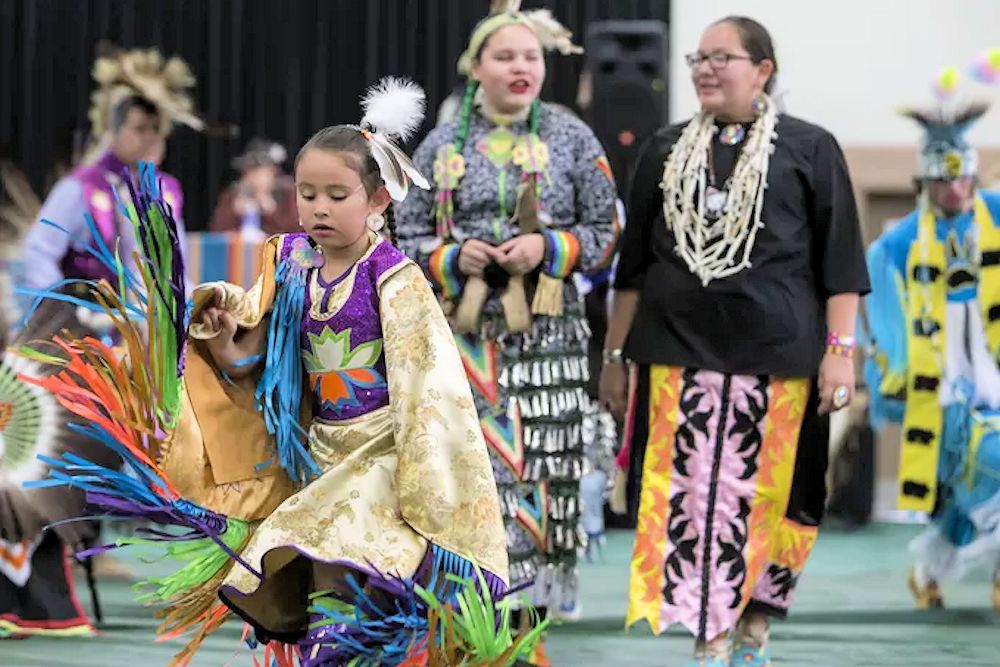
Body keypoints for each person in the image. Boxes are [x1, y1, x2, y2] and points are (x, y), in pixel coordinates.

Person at [25, 78, 536, 667]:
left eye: (337, 195)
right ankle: (329, 649)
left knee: (349, 560)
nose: (318, 207)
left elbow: (432, 389)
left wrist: (427, 483)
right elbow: (253, 321)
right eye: (307, 193)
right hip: (318, 454)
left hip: (385, 457)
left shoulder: (395, 280)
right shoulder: (292, 261)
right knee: (316, 575)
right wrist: (219, 311)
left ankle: (348, 647)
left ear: (378, 201)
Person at [598, 16, 870, 667]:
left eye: (723, 57)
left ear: (763, 70)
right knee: (690, 499)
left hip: (778, 360)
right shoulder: (663, 150)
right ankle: (706, 633)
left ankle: (753, 626)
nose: (705, 68)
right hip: (675, 354)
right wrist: (614, 358)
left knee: (774, 497)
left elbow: (841, 266)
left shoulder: (809, 147)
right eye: (699, 57)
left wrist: (841, 351)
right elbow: (631, 269)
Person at [395, 0, 619, 652]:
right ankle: (462, 614)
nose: (520, 67)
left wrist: (549, 248)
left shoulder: (572, 136)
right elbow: (401, 235)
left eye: (531, 57)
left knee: (543, 472)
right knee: (467, 470)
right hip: (461, 341)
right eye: (505, 56)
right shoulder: (441, 144)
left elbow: (608, 231)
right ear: (476, 69)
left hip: (546, 336)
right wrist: (449, 257)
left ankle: (525, 624)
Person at [865, 99, 1000, 613]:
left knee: (970, 491)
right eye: (941, 180)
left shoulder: (996, 216)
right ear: (924, 182)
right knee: (984, 466)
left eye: (961, 176)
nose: (953, 189)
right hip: (942, 386)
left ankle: (928, 571)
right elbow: (885, 319)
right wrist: (901, 377)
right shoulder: (898, 244)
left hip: (994, 367)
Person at [20, 45, 200, 295]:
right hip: (90, 327)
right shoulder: (81, 187)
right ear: (113, 131)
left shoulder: (166, 190)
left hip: (155, 329)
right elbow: (38, 253)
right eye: (139, 128)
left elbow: (175, 270)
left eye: (157, 129)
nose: (150, 138)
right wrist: (61, 311)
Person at [210, 137, 299, 237]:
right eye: (249, 170)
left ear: (274, 172)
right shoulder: (233, 194)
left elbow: (298, 234)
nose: (254, 177)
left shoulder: (288, 192)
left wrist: (271, 211)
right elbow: (216, 232)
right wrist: (234, 212)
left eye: (259, 171)